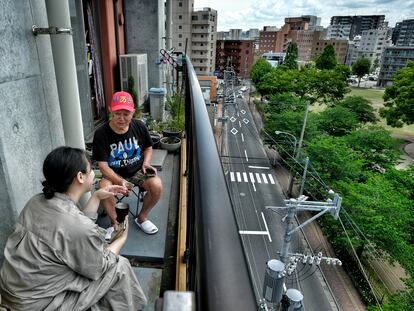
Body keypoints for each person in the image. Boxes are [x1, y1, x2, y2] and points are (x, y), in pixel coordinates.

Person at [0, 146, 147, 310]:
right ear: (80, 177)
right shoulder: (77, 226)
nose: (93, 173)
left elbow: (72, 230)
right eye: (91, 169)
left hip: (14, 292)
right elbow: (99, 267)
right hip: (40, 305)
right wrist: (121, 239)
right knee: (119, 267)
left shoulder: (37, 201)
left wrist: (97, 195)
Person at [93, 91, 162, 234]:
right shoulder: (101, 133)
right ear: (111, 110)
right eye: (118, 113)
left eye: (126, 114)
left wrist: (146, 163)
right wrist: (119, 180)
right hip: (113, 173)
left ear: (133, 113)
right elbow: (103, 165)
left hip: (137, 170)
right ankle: (115, 223)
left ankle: (142, 218)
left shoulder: (139, 126)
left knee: (157, 185)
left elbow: (148, 147)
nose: (122, 118)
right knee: (103, 186)